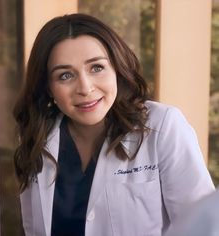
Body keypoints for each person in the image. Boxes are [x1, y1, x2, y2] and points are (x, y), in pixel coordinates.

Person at [13, 13, 215, 236]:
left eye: (96, 68)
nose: (85, 88)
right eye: (65, 75)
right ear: (49, 87)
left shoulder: (163, 127)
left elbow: (203, 227)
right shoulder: (37, 135)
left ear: (116, 69)